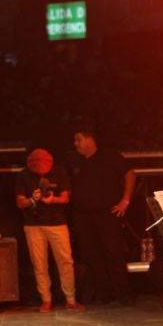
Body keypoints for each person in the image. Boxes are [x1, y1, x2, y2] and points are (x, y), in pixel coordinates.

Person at [71, 123, 136, 305]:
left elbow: (130, 174)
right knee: (92, 255)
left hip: (108, 214)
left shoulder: (110, 156)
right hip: (84, 217)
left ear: (90, 139)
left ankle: (123, 294)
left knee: (113, 253)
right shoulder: (76, 162)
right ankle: (105, 293)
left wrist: (125, 200)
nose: (76, 144)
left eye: (79, 140)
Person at [15, 148, 84, 312]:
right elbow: (20, 203)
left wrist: (53, 199)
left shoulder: (59, 171)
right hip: (33, 225)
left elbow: (66, 198)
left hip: (57, 223)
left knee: (65, 261)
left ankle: (70, 299)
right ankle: (46, 299)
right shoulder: (23, 176)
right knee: (39, 264)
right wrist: (33, 199)